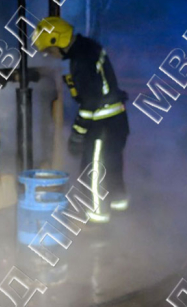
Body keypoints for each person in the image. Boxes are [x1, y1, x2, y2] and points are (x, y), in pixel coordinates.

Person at [33, 17, 129, 223]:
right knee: (112, 165)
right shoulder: (88, 47)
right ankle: (119, 209)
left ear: (57, 41)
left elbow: (89, 103)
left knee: (93, 173)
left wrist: (77, 134)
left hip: (102, 124)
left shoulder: (80, 59)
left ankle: (97, 219)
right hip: (117, 119)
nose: (51, 55)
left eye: (49, 50)